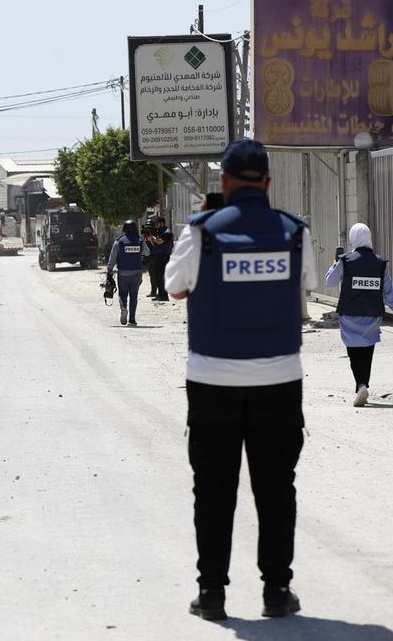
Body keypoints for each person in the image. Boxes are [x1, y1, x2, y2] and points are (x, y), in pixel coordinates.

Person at [165, 138, 313, 620]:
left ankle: (212, 595)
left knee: (213, 488)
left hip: (212, 381)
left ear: (224, 183)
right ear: (267, 183)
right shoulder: (294, 232)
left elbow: (174, 287)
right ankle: (276, 592)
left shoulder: (202, 231)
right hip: (280, 380)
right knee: (276, 488)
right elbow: (306, 283)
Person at [325, 223, 393, 406]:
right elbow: (389, 292)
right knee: (367, 349)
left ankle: (361, 385)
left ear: (353, 238)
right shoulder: (380, 263)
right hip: (373, 314)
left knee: (354, 350)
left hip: (350, 314)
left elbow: (329, 282)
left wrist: (334, 266)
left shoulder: (346, 260)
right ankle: (363, 384)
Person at [106, 220, 144, 326]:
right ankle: (132, 319)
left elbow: (112, 258)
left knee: (122, 294)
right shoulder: (140, 241)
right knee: (134, 296)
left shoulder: (119, 241)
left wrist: (109, 271)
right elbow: (147, 252)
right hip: (137, 273)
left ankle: (123, 308)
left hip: (123, 273)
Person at [145, 217, 174, 301]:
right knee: (157, 276)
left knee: (161, 276)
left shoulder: (167, 233)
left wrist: (152, 238)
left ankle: (164, 296)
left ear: (162, 223)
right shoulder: (159, 232)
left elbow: (160, 242)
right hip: (158, 256)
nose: (156, 225)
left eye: (157, 223)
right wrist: (151, 239)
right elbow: (156, 245)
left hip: (164, 256)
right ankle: (160, 295)